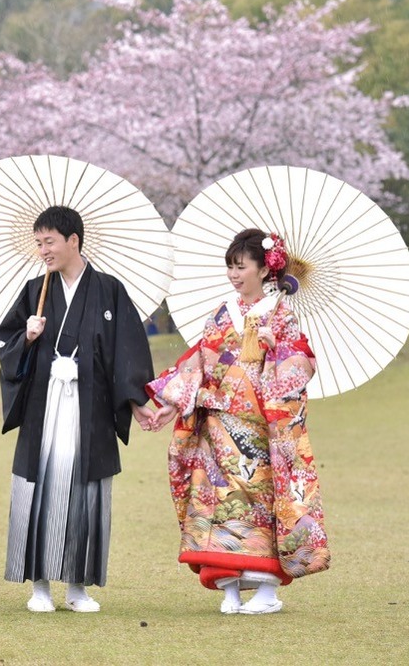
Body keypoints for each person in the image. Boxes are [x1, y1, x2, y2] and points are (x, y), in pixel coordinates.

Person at [140, 228, 329, 615]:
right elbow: (198, 361)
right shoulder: (222, 314)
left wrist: (277, 349)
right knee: (218, 505)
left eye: (241, 267)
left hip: (261, 429)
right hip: (218, 426)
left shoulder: (282, 314)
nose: (234, 275)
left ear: (264, 269)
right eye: (230, 267)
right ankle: (229, 585)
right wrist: (170, 403)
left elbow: (303, 366)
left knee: (259, 506)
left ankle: (266, 589)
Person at [0, 205, 155, 613]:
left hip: (90, 408)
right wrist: (27, 338)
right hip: (44, 405)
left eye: (49, 242)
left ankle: (78, 587)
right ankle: (40, 587)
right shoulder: (35, 290)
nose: (43, 250)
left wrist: (137, 402)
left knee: (85, 490)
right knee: (43, 486)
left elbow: (127, 351)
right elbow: (5, 342)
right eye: (38, 243)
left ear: (73, 241)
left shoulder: (109, 290)